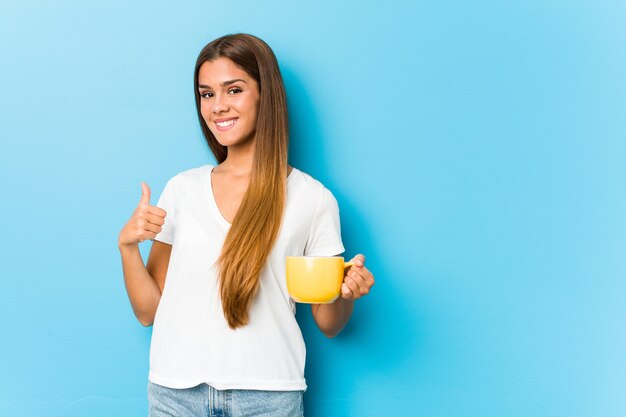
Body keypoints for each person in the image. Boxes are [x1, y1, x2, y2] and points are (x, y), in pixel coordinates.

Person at [118, 33, 375, 417]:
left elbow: (329, 324)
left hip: (267, 396)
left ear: (264, 94)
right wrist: (126, 247)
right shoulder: (182, 190)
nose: (218, 107)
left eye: (233, 90)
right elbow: (147, 311)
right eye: (207, 94)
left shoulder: (312, 198)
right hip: (175, 394)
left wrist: (345, 293)